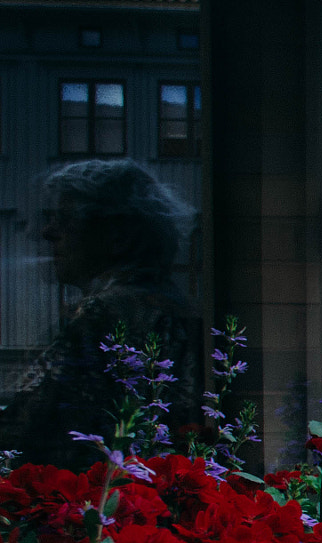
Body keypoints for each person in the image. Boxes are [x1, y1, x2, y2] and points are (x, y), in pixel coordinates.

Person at [0, 161, 202, 468]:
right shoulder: (163, 302)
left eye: (65, 220)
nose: (48, 232)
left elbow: (25, 428)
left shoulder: (106, 312)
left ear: (117, 237)